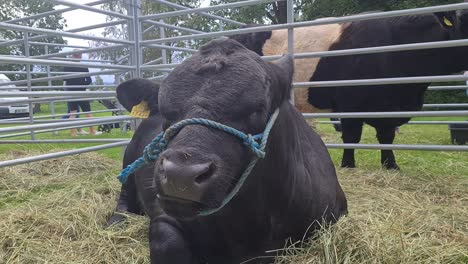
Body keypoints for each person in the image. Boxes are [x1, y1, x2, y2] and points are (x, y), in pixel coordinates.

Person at [63, 51, 101, 136]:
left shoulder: (67, 66)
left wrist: (72, 86)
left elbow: (64, 79)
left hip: (71, 91)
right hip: (81, 92)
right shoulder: (83, 66)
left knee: (73, 112)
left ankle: (72, 133)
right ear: (80, 56)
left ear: (72, 55)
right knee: (88, 112)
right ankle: (92, 131)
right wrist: (82, 86)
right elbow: (89, 80)